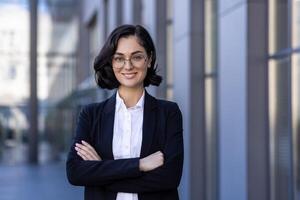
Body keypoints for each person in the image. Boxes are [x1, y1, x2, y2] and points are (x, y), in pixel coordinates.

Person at [66, 24, 183, 200]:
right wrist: (139, 165)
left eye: (136, 57)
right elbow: (75, 172)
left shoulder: (168, 113)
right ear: (111, 62)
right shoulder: (91, 115)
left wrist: (101, 170)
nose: (127, 66)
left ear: (149, 59)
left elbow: (169, 178)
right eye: (119, 58)